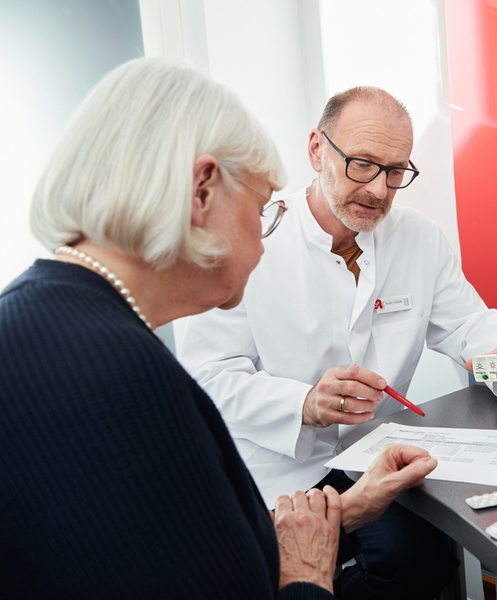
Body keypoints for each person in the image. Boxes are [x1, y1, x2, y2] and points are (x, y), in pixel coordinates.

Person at [0, 58, 439, 599]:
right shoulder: (120, 374)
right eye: (259, 212)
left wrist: (346, 512)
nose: (262, 241)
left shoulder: (43, 324)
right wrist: (305, 578)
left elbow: (188, 554)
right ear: (203, 191)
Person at [179, 86, 497, 599]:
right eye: (362, 165)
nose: (379, 190)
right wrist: (305, 404)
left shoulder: (417, 238)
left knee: (418, 557)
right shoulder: (251, 235)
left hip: (371, 454)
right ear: (316, 149)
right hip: (277, 464)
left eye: (396, 171)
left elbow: (466, 324)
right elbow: (207, 379)